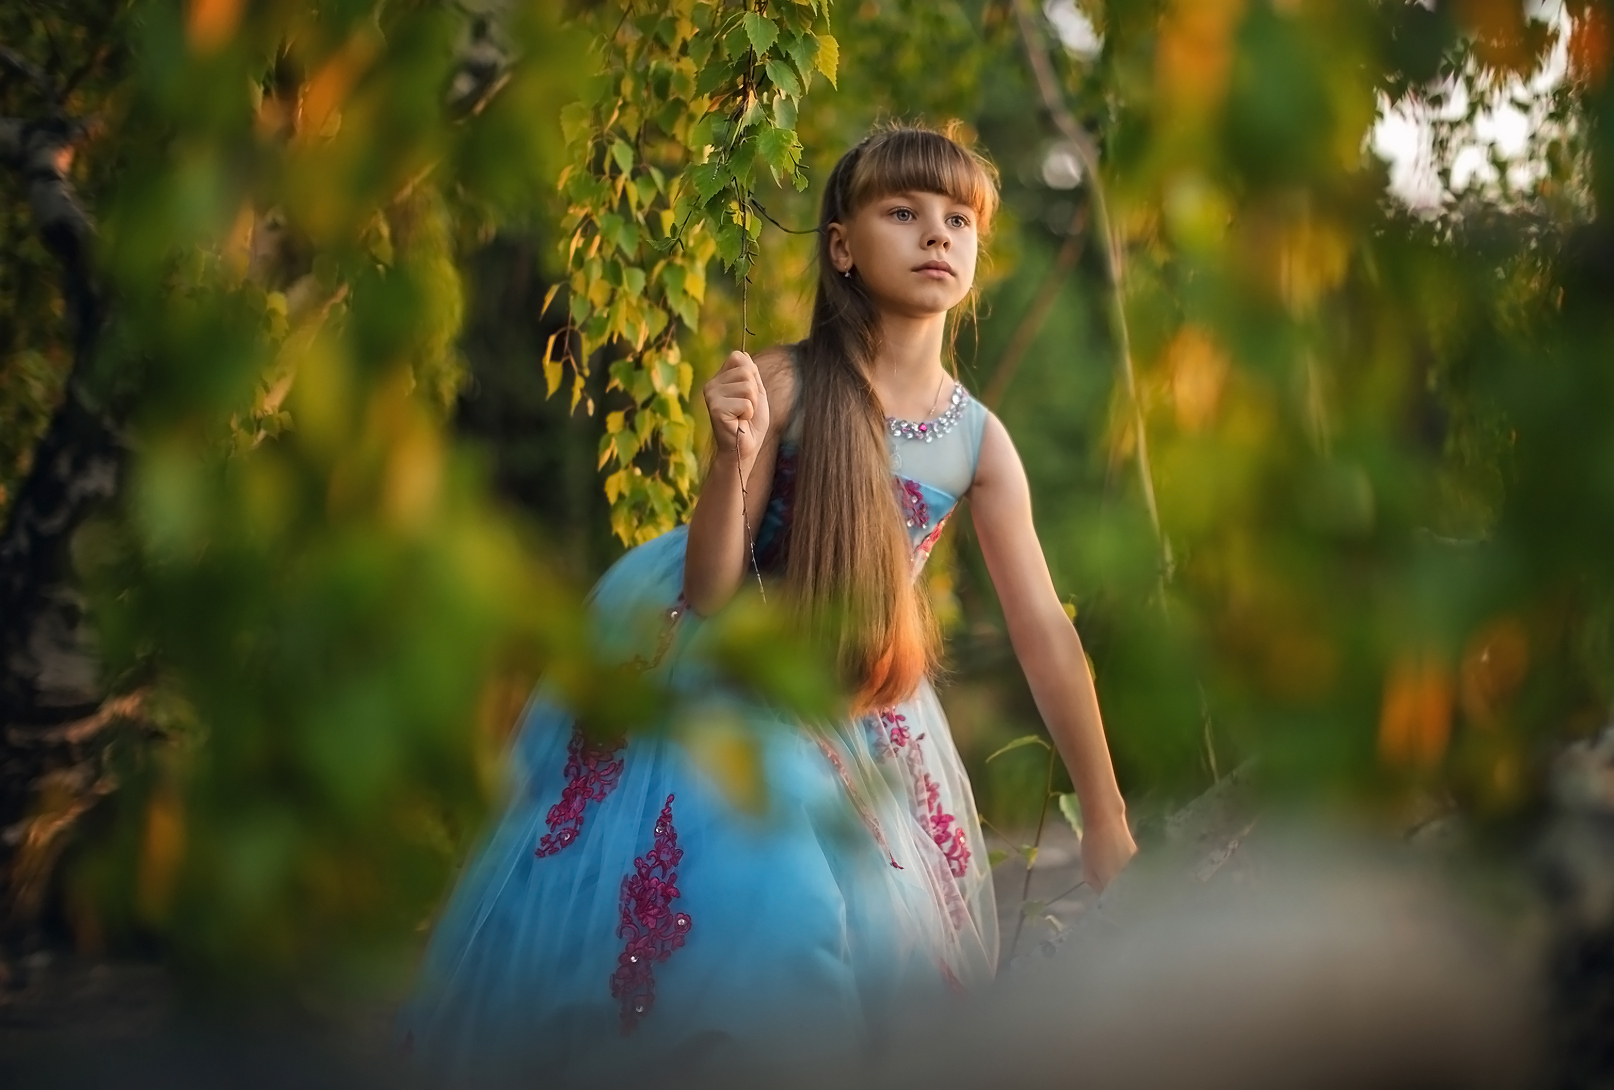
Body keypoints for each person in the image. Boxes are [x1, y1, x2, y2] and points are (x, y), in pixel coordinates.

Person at [397, 123, 1136, 1085]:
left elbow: (1043, 634)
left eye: (959, 220)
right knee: (774, 896)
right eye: (902, 212)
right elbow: (710, 589)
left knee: (867, 920)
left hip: (853, 686)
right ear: (842, 246)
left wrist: (1106, 815)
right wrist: (732, 458)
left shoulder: (978, 441)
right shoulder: (788, 382)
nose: (936, 234)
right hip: (729, 655)